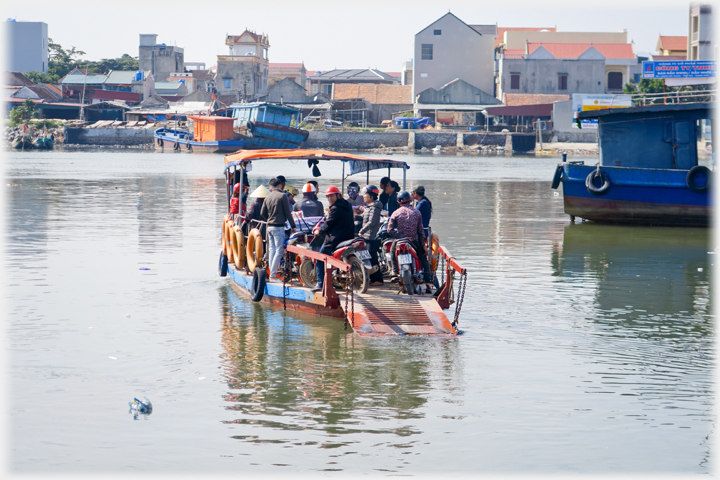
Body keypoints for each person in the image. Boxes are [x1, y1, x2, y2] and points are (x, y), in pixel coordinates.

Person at [387, 190, 432, 288]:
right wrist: (423, 245)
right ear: (409, 200)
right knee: (422, 257)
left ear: (399, 201)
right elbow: (421, 231)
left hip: (400, 240)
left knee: (392, 252)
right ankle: (428, 281)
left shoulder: (396, 213)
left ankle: (394, 273)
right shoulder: (417, 212)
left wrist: (400, 236)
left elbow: (389, 230)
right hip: (414, 241)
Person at [314, 186, 354, 292]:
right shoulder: (347, 205)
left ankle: (320, 283)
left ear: (338, 195)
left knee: (320, 258)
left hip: (335, 238)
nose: (330, 199)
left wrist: (319, 231)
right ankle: (331, 281)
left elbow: (328, 224)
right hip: (348, 237)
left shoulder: (335, 208)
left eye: (332, 196)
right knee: (330, 259)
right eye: (328, 197)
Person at [261, 178, 296, 282]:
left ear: (270, 188)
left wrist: (269, 218)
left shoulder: (267, 197)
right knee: (279, 250)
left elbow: (262, 213)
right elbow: (287, 212)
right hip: (278, 227)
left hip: (269, 227)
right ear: (281, 186)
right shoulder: (283, 196)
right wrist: (293, 226)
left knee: (272, 250)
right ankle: (273, 275)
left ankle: (271, 273)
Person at [358, 185, 384, 286]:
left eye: (366, 194)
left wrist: (362, 231)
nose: (363, 196)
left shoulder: (375, 207)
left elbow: (372, 222)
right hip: (367, 236)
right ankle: (372, 278)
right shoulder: (370, 207)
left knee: (372, 257)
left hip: (371, 237)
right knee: (369, 257)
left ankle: (378, 279)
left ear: (371, 196)